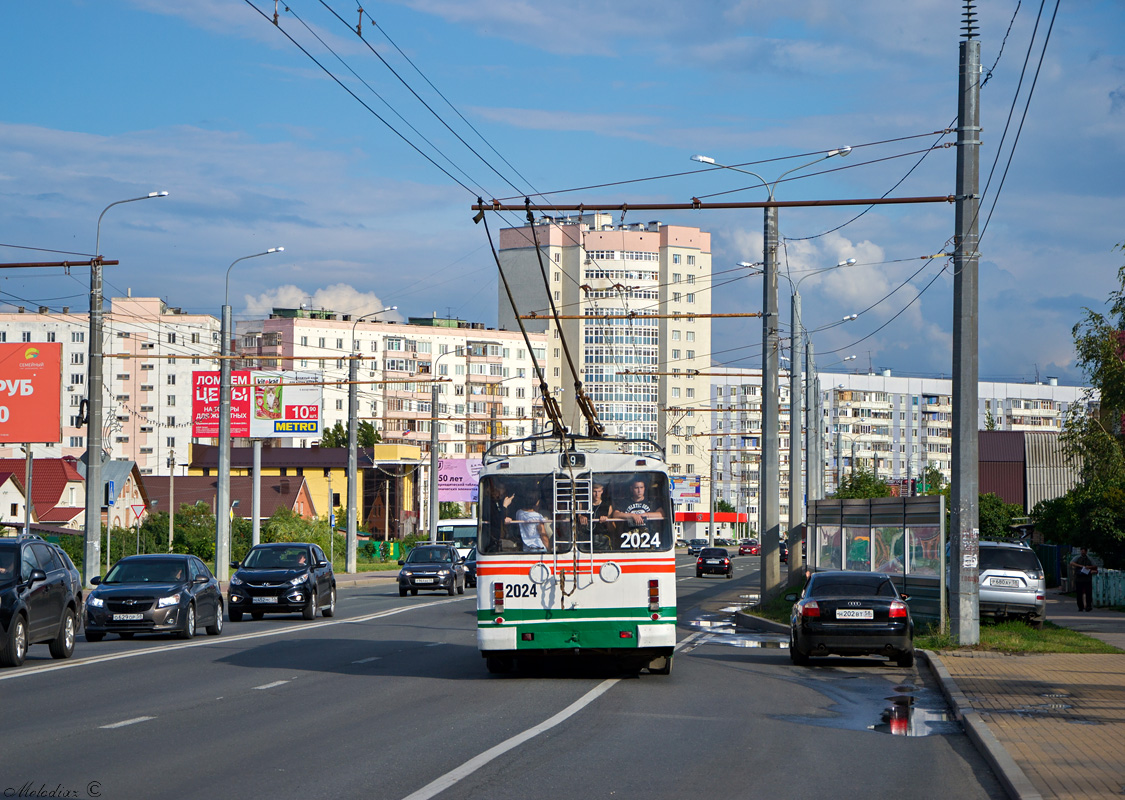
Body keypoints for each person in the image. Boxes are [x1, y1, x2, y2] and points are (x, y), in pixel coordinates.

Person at [1070, 547, 1098, 612]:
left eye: (1084, 551)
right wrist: (1080, 566)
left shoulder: (1089, 558)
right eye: (1082, 551)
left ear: (1086, 552)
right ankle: (1080, 607)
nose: (1083, 552)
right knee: (1079, 593)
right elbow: (1071, 563)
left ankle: (1088, 606)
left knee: (1088, 593)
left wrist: (1088, 567)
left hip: (1087, 578)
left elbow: (1095, 566)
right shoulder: (1077, 558)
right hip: (1079, 578)